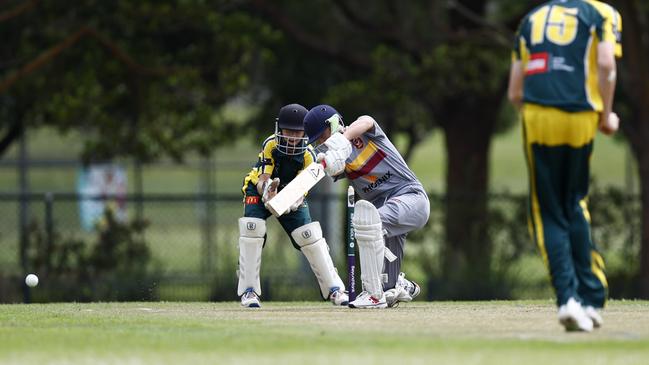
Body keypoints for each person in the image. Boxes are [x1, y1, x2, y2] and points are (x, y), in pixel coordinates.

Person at [507, 0, 622, 331]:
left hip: (539, 114)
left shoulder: (530, 18)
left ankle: (568, 300)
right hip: (582, 114)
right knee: (574, 202)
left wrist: (533, 117)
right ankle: (590, 296)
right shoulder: (602, 12)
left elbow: (516, 91)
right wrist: (607, 114)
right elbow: (606, 65)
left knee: (549, 211)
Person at [303, 105, 430, 309]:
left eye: (321, 136)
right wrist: (320, 163)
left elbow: (366, 121)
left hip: (411, 198)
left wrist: (342, 140)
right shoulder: (339, 158)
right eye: (317, 140)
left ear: (333, 124)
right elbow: (328, 168)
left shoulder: (364, 130)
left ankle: (372, 295)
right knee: (388, 286)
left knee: (368, 222)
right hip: (386, 213)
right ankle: (394, 283)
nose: (320, 142)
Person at [237, 103, 348, 308]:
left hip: (292, 192)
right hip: (258, 189)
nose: (292, 137)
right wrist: (268, 189)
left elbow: (301, 189)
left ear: (305, 133)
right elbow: (263, 178)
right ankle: (248, 291)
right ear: (280, 130)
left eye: (298, 132)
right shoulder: (270, 144)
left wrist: (292, 199)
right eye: (288, 131)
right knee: (252, 229)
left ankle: (335, 289)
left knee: (309, 235)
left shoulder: (309, 155)